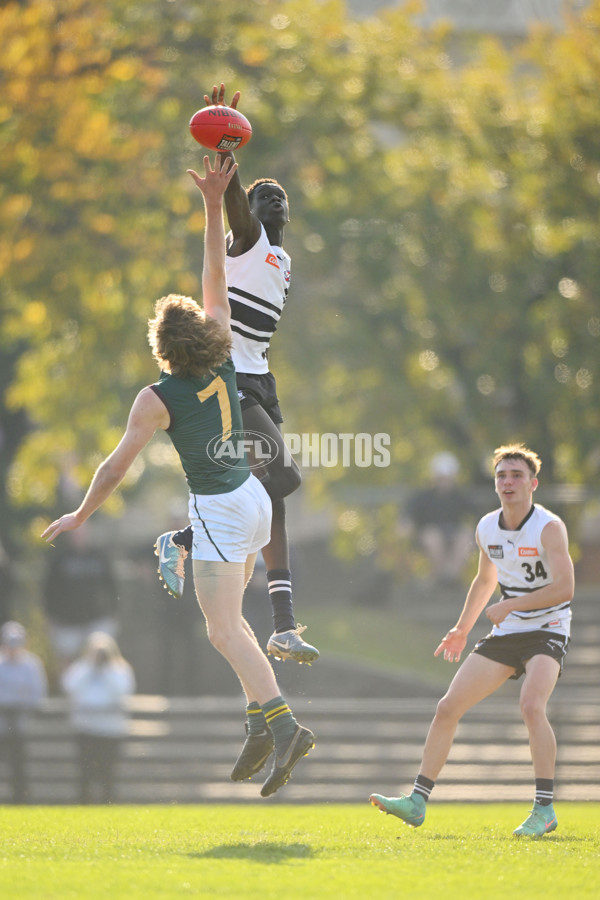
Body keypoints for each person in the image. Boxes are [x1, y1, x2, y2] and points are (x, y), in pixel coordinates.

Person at [42, 154, 314, 797]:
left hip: (220, 511)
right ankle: (256, 720)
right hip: (251, 502)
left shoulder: (153, 398)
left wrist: (81, 515)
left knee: (220, 630)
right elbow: (214, 271)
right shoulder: (224, 354)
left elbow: (112, 468)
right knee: (236, 623)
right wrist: (213, 203)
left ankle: (283, 724)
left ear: (160, 348)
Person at [155, 83, 319, 667]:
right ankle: (187, 539)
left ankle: (282, 624)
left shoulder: (280, 255)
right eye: (262, 194)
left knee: (275, 498)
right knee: (283, 478)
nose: (272, 199)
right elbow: (234, 213)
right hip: (233, 380)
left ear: (288, 215)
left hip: (261, 378)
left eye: (280, 198)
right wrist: (226, 152)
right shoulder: (246, 239)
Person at [370, 444, 575, 837]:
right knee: (447, 707)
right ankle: (417, 801)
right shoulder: (486, 527)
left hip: (548, 627)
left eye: (516, 475)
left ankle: (544, 809)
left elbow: (565, 589)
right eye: (501, 475)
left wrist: (514, 605)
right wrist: (462, 628)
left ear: (533, 484)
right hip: (509, 629)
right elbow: (485, 581)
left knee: (532, 705)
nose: (508, 482)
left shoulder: (549, 527)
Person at [61, 632, 135, 803]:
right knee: (85, 772)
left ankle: (107, 803)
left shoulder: (120, 670)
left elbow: (121, 692)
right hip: (86, 728)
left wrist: (106, 669)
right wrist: (91, 665)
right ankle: (84, 803)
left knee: (107, 771)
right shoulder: (82, 669)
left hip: (110, 730)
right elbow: (69, 686)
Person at [42, 524, 119, 673]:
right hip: (67, 621)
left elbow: (112, 586)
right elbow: (49, 590)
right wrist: (50, 617)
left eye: (82, 533)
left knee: (101, 657)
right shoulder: (59, 559)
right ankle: (68, 693)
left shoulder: (99, 557)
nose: (79, 537)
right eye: (75, 534)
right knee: (67, 659)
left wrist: (114, 612)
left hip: (97, 617)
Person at [405, 451, 475, 586]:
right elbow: (409, 512)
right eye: (442, 478)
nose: (445, 482)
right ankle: (439, 576)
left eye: (447, 478)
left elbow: (476, 514)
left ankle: (452, 577)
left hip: (454, 532)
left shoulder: (460, 496)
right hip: (429, 533)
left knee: (465, 537)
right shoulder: (423, 497)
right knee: (433, 537)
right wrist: (406, 524)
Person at [0, 621, 48, 803]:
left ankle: (20, 800)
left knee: (19, 765)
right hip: (1, 720)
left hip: (21, 722)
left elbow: (37, 694)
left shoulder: (31, 665)